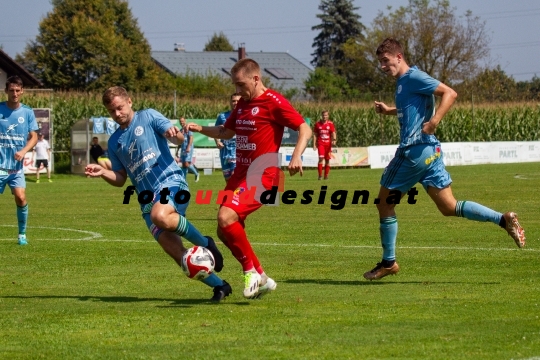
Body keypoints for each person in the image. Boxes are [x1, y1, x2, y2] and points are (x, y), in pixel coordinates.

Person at [364, 38, 526, 281]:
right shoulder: (404, 83)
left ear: (399, 57)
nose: (383, 66)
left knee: (384, 203)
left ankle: (389, 262)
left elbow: (450, 93)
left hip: (413, 152)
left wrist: (435, 121)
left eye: (386, 61)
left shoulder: (412, 77)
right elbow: (412, 109)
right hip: (430, 153)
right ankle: (503, 220)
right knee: (449, 207)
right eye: (380, 63)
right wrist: (389, 111)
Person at [85, 86, 231, 302]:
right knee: (176, 252)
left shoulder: (148, 116)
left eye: (120, 108)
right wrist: (103, 172)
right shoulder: (115, 141)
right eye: (112, 111)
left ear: (130, 102)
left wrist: (175, 134)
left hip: (171, 182)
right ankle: (220, 286)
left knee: (160, 215)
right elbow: (120, 178)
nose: (117, 114)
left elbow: (179, 139)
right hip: (146, 201)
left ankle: (205, 242)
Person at [186, 58, 312, 299]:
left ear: (256, 78)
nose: (237, 91)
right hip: (239, 176)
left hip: (262, 175)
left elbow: (304, 128)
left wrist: (296, 155)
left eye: (240, 84)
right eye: (234, 85)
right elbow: (226, 131)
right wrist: (199, 129)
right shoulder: (242, 104)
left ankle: (250, 271)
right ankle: (262, 277)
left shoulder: (273, 101)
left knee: (226, 217)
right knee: (224, 230)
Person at [0, 75, 39, 245]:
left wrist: (23, 151)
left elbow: (34, 137)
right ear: (6, 91)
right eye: (11, 90)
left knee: (21, 197)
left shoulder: (27, 112)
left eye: (17, 90)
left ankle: (22, 234)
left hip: (16, 168)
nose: (14, 93)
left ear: (22, 91)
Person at [214, 93, 241, 182]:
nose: (235, 103)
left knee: (234, 176)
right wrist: (217, 142)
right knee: (228, 179)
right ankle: (231, 195)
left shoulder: (245, 115)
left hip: (238, 151)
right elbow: (216, 130)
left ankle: (238, 195)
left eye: (238, 101)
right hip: (225, 151)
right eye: (233, 101)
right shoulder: (222, 116)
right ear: (230, 102)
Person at [312, 110, 336, 180]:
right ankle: (320, 176)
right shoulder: (317, 124)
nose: (324, 117)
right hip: (321, 144)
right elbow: (315, 135)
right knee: (321, 158)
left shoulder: (330, 124)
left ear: (328, 116)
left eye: (326, 115)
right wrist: (314, 144)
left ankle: (326, 176)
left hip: (328, 145)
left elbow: (333, 133)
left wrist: (334, 140)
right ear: (321, 116)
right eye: (323, 115)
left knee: (327, 160)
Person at [176, 118, 199, 183]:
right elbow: (179, 142)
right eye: (180, 121)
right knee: (184, 165)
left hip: (188, 148)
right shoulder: (180, 131)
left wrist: (188, 147)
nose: (181, 122)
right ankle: (184, 180)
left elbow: (191, 138)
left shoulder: (188, 128)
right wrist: (177, 150)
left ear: (185, 121)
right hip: (183, 148)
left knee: (186, 164)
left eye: (182, 121)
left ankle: (196, 173)